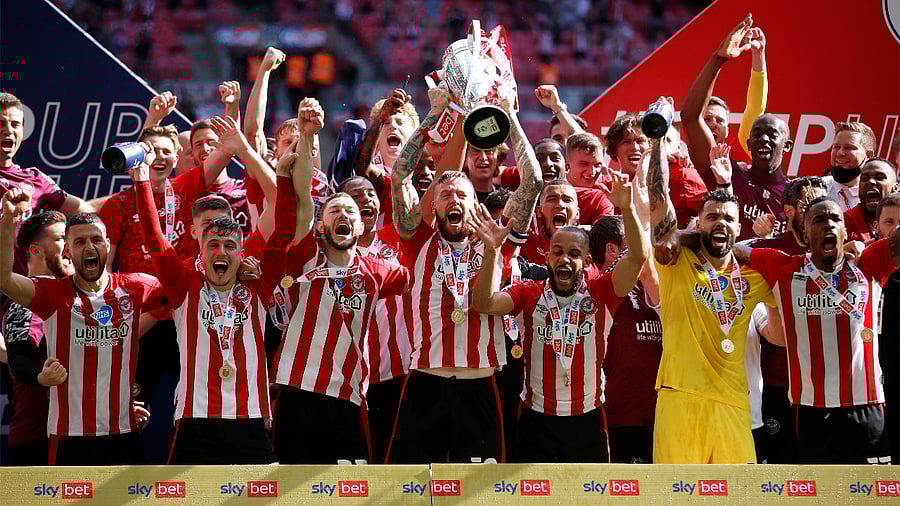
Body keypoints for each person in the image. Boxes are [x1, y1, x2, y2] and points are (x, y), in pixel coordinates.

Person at [387, 87, 543, 463]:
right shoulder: (417, 239)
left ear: (474, 202)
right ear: (433, 205)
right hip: (424, 382)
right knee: (409, 491)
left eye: (461, 194)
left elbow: (534, 181)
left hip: (481, 386)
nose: (453, 200)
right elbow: (399, 175)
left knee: (479, 494)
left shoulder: (498, 238)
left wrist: (509, 118)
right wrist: (435, 113)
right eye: (444, 194)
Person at [133, 130, 296, 464]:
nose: (221, 252)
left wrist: (283, 177)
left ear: (242, 252)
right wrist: (141, 179)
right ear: (200, 250)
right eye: (213, 245)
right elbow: (153, 237)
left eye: (230, 246)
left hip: (250, 420)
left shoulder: (258, 284)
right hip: (196, 421)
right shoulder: (183, 285)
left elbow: (283, 233)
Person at [472, 169, 649, 463]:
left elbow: (638, 257)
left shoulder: (603, 291)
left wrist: (628, 208)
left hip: (588, 419)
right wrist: (492, 251)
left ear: (588, 260)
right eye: (557, 252)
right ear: (547, 257)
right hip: (536, 421)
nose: (564, 259)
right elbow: (485, 303)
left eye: (573, 253)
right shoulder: (528, 293)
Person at [270, 100, 411, 465]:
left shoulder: (379, 270)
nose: (343, 214)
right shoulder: (304, 258)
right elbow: (303, 199)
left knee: (350, 492)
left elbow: (419, 244)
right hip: (298, 393)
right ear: (321, 224)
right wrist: (307, 135)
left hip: (348, 399)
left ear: (362, 226)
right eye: (334, 209)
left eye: (350, 211)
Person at [0, 189, 167, 465]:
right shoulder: (50, 294)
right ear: (68, 250)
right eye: (79, 242)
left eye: (96, 240)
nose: (89, 247)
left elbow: (184, 290)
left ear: (108, 246)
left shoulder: (138, 287)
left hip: (123, 435)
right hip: (69, 440)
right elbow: (4, 280)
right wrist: (8, 220)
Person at [645, 119, 776, 464]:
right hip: (679, 397)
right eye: (712, 216)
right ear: (698, 222)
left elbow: (778, 335)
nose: (721, 222)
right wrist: (657, 141)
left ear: (739, 227)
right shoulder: (677, 260)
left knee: (737, 497)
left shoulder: (753, 276)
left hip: (733, 402)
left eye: (729, 218)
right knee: (674, 495)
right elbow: (658, 205)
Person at [740, 197, 900, 464]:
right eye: (819, 220)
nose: (828, 225)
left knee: (874, 501)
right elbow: (727, 248)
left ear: (846, 231)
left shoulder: (868, 262)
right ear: (804, 232)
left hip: (866, 406)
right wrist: (682, 238)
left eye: (835, 219)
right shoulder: (784, 268)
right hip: (811, 413)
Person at [682, 15, 789, 241]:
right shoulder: (727, 173)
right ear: (749, 143)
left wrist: (759, 57)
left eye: (773, 134)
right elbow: (690, 117)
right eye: (757, 134)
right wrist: (718, 59)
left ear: (787, 145)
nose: (764, 140)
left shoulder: (795, 195)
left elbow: (755, 108)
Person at [745, 176, 827, 464]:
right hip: (779, 381)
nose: (819, 218)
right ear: (790, 211)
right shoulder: (765, 250)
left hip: (825, 386)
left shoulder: (838, 254)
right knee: (778, 476)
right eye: (810, 208)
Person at [336, 175, 412, 464]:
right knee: (367, 458)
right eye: (356, 196)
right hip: (355, 376)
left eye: (370, 194)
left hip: (401, 369)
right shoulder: (330, 254)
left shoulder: (399, 238)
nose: (366, 199)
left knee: (400, 458)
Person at [591, 216, 663, 464]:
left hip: (663, 420)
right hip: (620, 421)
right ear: (613, 250)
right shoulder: (598, 291)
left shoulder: (652, 289)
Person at [2, 211, 71, 465]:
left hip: (78, 433)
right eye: (62, 238)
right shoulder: (25, 300)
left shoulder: (76, 296)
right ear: (34, 251)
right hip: (41, 437)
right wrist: (41, 377)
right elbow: (18, 357)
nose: (70, 245)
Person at [682, 13, 768, 164]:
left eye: (720, 120)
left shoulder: (737, 154)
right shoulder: (680, 158)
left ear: (727, 130)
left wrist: (758, 53)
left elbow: (755, 108)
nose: (713, 123)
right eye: (707, 119)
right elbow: (690, 116)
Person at [875, 193, 900, 463]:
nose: (896, 230)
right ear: (877, 226)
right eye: (889, 222)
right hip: (876, 391)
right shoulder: (864, 273)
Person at [823, 122, 877, 212]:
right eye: (836, 147)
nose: (840, 153)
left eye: (849, 147)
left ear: (868, 155)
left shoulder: (877, 197)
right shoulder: (814, 189)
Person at [845, 158, 898, 244]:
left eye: (880, 177)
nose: (871, 181)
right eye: (865, 178)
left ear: (895, 188)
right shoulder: (845, 224)